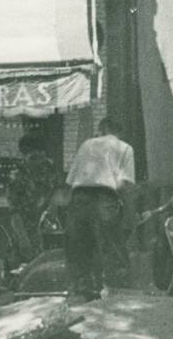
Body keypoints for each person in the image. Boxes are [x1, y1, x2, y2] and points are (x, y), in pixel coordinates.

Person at [64, 117, 136, 302]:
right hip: (105, 200)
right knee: (112, 249)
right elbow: (123, 186)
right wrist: (129, 214)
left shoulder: (86, 145)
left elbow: (71, 182)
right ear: (119, 132)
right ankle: (116, 298)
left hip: (79, 200)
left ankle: (82, 295)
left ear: (102, 129)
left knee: (81, 252)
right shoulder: (124, 148)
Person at [7, 133, 57, 260]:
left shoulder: (50, 171)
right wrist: (23, 239)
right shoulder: (18, 176)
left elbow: (56, 196)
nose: (40, 161)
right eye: (34, 157)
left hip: (47, 233)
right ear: (25, 155)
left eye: (42, 156)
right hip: (25, 232)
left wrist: (52, 208)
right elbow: (14, 212)